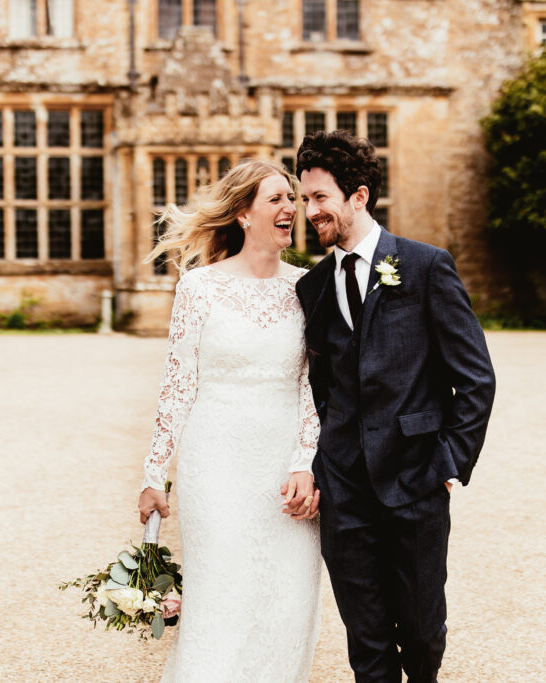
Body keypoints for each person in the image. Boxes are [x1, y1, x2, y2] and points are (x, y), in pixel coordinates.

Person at [289, 130, 496, 682]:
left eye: (319, 198)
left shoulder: (426, 267)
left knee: (424, 634)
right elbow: (320, 389)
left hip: (416, 479)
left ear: (358, 197)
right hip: (344, 488)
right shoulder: (311, 288)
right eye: (304, 199)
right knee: (368, 642)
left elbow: (475, 378)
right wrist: (319, 466)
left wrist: (448, 461)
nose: (309, 211)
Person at [137, 160, 322, 682]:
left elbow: (315, 387)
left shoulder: (310, 287)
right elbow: (178, 385)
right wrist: (154, 475)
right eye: (278, 200)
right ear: (243, 214)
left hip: (288, 469)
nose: (292, 209)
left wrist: (306, 462)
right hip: (215, 464)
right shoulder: (199, 288)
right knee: (221, 597)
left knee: (287, 601)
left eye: (294, 198)